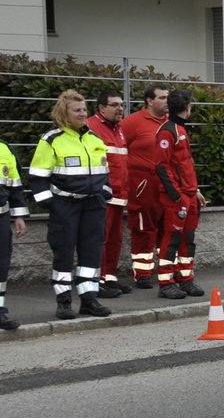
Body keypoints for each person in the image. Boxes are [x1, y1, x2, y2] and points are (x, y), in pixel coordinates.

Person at [28, 89, 113, 319]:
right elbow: (37, 176)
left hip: (93, 205)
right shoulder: (51, 139)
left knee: (91, 254)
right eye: (77, 110)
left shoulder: (95, 139)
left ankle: (89, 299)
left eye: (84, 109)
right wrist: (51, 204)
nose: (83, 113)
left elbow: (105, 172)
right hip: (65, 205)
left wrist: (104, 192)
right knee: (63, 253)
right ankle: (64, 301)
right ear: (63, 114)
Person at [154, 89, 206, 298]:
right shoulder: (168, 131)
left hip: (188, 195)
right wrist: (177, 196)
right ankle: (166, 284)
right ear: (187, 107)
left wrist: (195, 191)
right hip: (177, 197)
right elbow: (162, 166)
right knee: (171, 239)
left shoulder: (180, 129)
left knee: (188, 239)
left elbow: (184, 166)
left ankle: (186, 279)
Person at [121, 83, 169, 288]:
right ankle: (142, 273)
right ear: (150, 100)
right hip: (143, 184)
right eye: (162, 98)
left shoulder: (171, 123)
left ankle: (167, 272)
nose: (167, 101)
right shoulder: (132, 123)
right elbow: (116, 151)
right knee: (143, 229)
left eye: (168, 97)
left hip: (167, 184)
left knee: (168, 229)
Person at [86, 90, 131, 298]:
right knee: (100, 239)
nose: (120, 108)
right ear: (101, 108)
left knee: (114, 240)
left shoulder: (118, 129)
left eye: (121, 104)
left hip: (119, 194)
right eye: (114, 105)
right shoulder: (91, 128)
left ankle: (109, 277)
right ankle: (97, 280)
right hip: (102, 195)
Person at [0, 138, 28, 330]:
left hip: (1, 215)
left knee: (1, 265)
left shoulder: (5, 149)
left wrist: (19, 216)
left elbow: (14, 185)